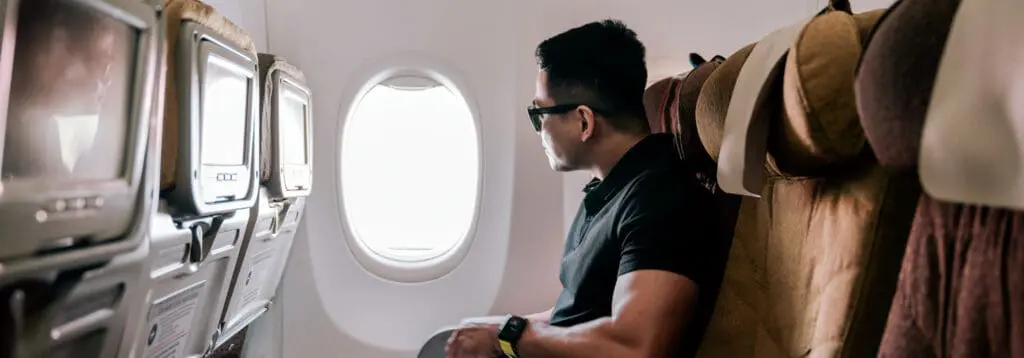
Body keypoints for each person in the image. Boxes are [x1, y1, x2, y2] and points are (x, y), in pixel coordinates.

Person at [444, 19, 730, 358]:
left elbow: (636, 347)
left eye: (540, 114)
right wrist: (501, 328)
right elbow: (580, 310)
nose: (538, 129)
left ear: (583, 121)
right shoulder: (608, 192)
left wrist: (507, 339)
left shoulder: (661, 199)